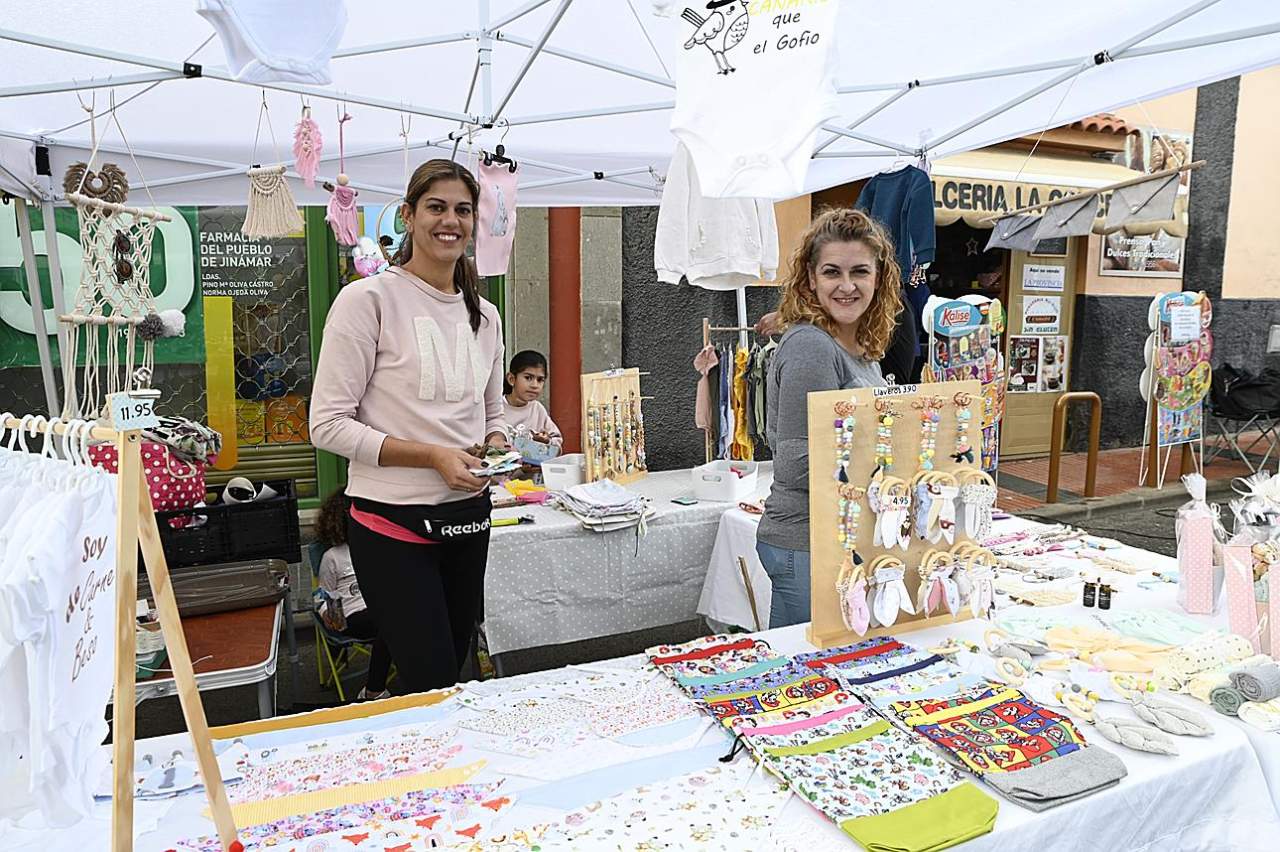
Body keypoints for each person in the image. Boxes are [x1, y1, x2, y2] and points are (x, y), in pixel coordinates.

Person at [310, 159, 508, 693]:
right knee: (431, 677)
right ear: (408, 215)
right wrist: (432, 456)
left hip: (469, 519)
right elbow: (327, 425)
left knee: (455, 671)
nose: (451, 221)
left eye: (462, 210)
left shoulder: (486, 316)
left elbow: (492, 414)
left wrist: (497, 448)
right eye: (436, 207)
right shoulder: (368, 301)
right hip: (392, 524)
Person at [756, 208, 900, 628]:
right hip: (807, 542)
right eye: (832, 272)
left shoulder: (863, 349)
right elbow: (794, 461)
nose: (847, 286)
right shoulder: (812, 347)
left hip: (835, 539)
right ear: (810, 279)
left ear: (879, 278)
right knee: (807, 664)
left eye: (860, 272)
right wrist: (889, 466)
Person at [314, 490, 392, 701]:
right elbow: (322, 595)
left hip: (380, 606)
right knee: (392, 625)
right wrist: (326, 613)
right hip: (352, 614)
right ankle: (373, 690)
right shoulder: (332, 556)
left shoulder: (377, 547)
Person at [503, 350, 562, 448]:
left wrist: (546, 441)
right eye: (528, 378)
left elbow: (557, 442)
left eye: (540, 380)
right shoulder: (496, 408)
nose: (535, 385)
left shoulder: (538, 409)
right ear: (511, 379)